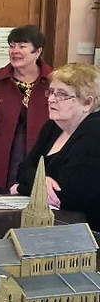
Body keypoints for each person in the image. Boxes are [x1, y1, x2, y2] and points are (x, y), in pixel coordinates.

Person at [11, 63, 100, 231]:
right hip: (56, 225)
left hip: (88, 231)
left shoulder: (94, 132)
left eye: (62, 94)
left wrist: (22, 187)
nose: (51, 99)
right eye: (51, 92)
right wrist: (40, 182)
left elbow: (66, 195)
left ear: (87, 103)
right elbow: (23, 169)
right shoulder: (53, 126)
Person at [0, 25, 52, 194]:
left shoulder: (53, 80)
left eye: (22, 46)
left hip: (40, 159)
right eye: (12, 46)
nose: (15, 51)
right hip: (1, 160)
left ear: (38, 51)